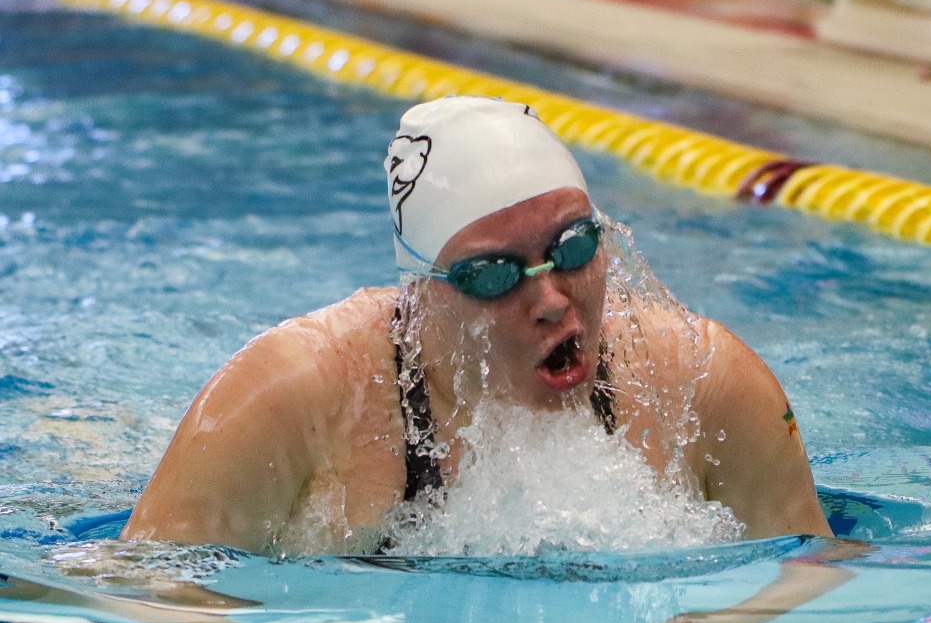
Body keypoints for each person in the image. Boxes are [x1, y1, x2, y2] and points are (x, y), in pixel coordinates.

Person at [126, 96, 831, 557]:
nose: (551, 298)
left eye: (573, 248)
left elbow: (816, 580)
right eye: (493, 275)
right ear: (421, 293)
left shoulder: (702, 381)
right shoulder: (295, 399)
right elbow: (145, 609)